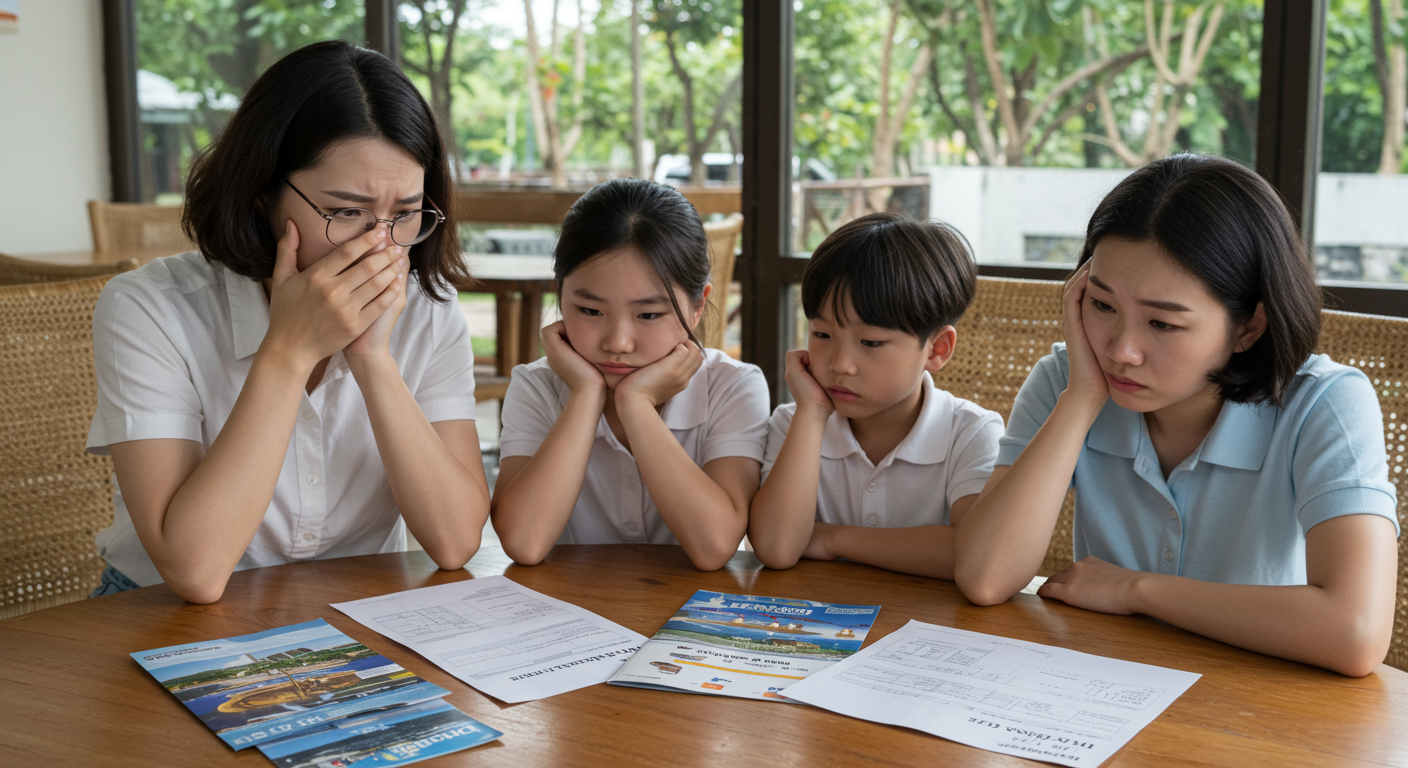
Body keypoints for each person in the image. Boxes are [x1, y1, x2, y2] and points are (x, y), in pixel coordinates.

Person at [954, 154, 1399, 677]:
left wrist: (1135, 590)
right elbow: (985, 577)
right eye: (1101, 305)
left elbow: (1356, 631)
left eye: (1162, 324)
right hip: (1098, 693)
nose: (1122, 350)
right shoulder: (1068, 380)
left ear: (1248, 327)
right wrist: (1080, 399)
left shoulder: (1326, 404)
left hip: (1259, 708)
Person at [87, 41, 490, 604]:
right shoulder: (148, 309)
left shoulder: (429, 310)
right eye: (347, 211)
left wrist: (373, 361)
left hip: (353, 615)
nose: (381, 246)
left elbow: (454, 542)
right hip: (159, 617)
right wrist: (289, 351)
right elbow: (195, 573)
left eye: (404, 214)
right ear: (262, 194)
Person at [491, 178, 769, 571]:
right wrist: (585, 393)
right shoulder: (538, 385)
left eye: (649, 315)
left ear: (697, 307)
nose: (618, 342)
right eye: (590, 311)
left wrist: (635, 405)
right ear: (561, 293)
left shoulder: (733, 386)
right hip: (573, 614)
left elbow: (714, 547)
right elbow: (524, 542)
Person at [748, 213, 1002, 578]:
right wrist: (812, 413)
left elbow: (973, 553)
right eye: (822, 334)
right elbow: (776, 547)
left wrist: (832, 539)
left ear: (937, 349)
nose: (841, 364)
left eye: (870, 342)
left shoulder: (971, 433)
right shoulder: (794, 422)